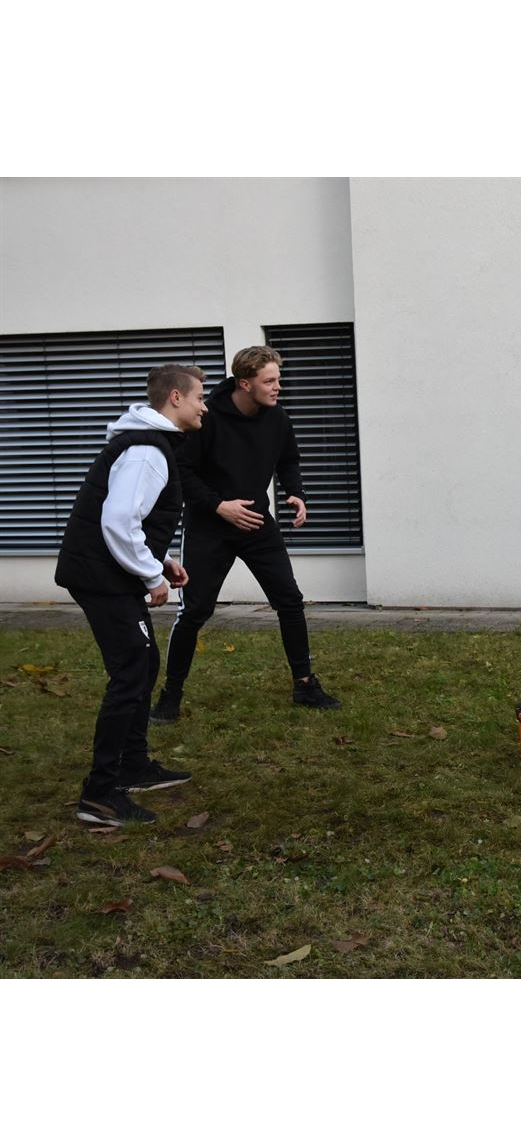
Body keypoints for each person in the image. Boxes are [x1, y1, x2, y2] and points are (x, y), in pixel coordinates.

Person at [149, 345, 340, 722]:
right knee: (194, 611)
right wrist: (219, 506)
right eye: (269, 381)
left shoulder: (277, 417)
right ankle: (171, 695)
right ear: (245, 383)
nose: (278, 387)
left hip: (257, 525)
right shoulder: (207, 417)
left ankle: (305, 684)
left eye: (278, 379)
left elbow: (289, 460)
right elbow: (182, 471)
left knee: (290, 601)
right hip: (210, 527)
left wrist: (296, 492)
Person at [56, 364, 208, 826]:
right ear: (176, 398)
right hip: (101, 576)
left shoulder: (149, 444)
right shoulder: (147, 451)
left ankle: (133, 766)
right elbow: (118, 521)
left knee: (143, 664)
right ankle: (100, 795)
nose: (204, 407)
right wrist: (151, 575)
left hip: (104, 572)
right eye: (199, 397)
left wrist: (160, 560)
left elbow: (131, 520)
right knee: (131, 672)